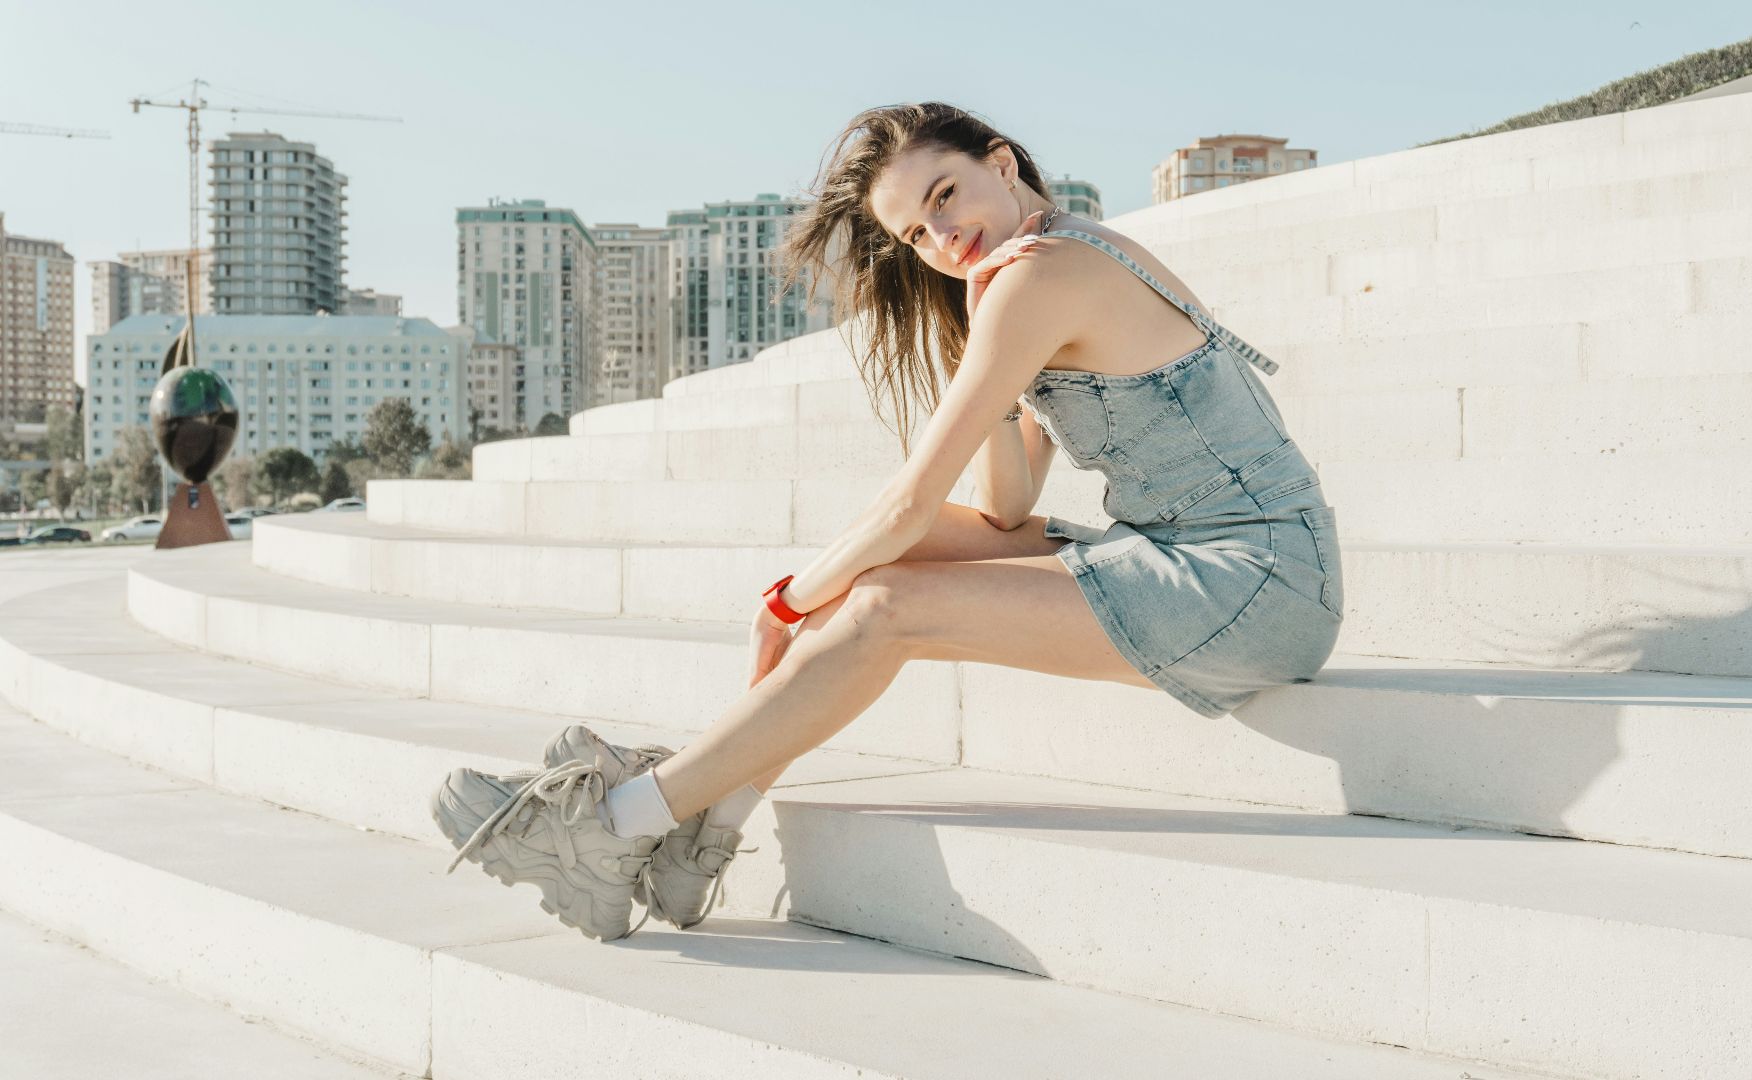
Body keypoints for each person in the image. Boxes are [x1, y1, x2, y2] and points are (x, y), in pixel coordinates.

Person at [430, 101, 1345, 942]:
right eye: (918, 231)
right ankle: (698, 839)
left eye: (946, 196)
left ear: (1000, 161)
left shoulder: (1047, 274)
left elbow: (910, 501)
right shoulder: (1026, 273)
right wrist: (987, 370)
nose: (944, 236)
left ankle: (614, 826)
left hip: (1255, 584)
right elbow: (1006, 504)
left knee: (879, 605)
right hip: (1190, 551)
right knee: (879, 567)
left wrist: (787, 603)